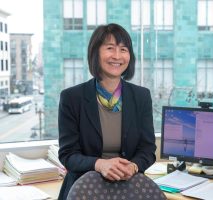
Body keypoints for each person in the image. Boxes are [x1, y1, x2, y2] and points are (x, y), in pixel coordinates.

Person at [58, 23, 157, 200]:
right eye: (110, 48)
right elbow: (68, 155)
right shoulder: (72, 98)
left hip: (130, 187)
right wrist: (99, 164)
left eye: (123, 49)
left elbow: (147, 149)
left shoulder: (141, 96)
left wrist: (133, 166)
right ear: (95, 53)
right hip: (85, 189)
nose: (117, 56)